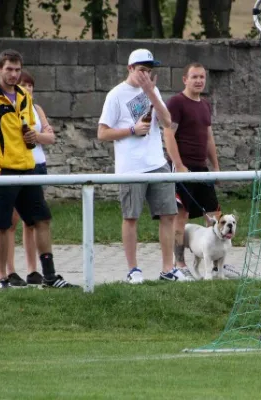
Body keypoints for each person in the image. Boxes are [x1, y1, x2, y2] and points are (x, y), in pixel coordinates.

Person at [0, 49, 77, 289]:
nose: (13, 74)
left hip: (27, 168)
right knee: (2, 224)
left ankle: (49, 276)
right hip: (2, 171)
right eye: (9, 69)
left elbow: (28, 129)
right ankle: (2, 277)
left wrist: (32, 137)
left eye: (17, 70)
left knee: (42, 220)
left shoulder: (23, 96)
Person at [97, 48, 179, 283]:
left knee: (168, 214)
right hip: (131, 167)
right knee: (131, 217)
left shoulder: (153, 90)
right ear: (130, 69)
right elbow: (102, 132)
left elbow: (167, 122)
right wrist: (131, 130)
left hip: (157, 163)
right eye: (142, 70)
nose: (145, 75)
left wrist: (151, 93)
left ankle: (167, 268)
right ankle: (133, 269)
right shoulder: (116, 95)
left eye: (149, 71)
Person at [164, 62, 239, 281]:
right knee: (181, 217)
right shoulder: (176, 102)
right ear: (185, 79)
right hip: (182, 168)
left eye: (202, 77)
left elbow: (209, 137)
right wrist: (178, 165)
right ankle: (180, 264)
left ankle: (217, 266)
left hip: (201, 168)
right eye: (194, 77)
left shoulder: (205, 104)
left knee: (215, 215)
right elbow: (168, 134)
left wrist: (216, 167)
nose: (199, 81)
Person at [4, 70, 56, 286]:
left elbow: (49, 137)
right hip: (15, 165)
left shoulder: (36, 109)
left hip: (37, 164)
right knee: (11, 220)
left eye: (31, 85)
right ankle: (10, 270)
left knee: (33, 220)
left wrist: (38, 136)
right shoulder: (9, 109)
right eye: (24, 85)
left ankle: (33, 269)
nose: (28, 89)